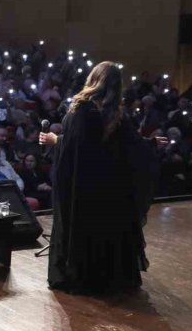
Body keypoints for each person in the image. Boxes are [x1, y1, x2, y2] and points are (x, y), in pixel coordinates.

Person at [39, 62, 159, 294]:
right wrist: (150, 144)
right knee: (104, 230)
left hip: (83, 188)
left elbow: (77, 149)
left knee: (82, 230)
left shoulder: (82, 110)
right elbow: (126, 149)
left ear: (94, 79)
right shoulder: (117, 114)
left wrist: (56, 140)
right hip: (109, 188)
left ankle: (80, 276)